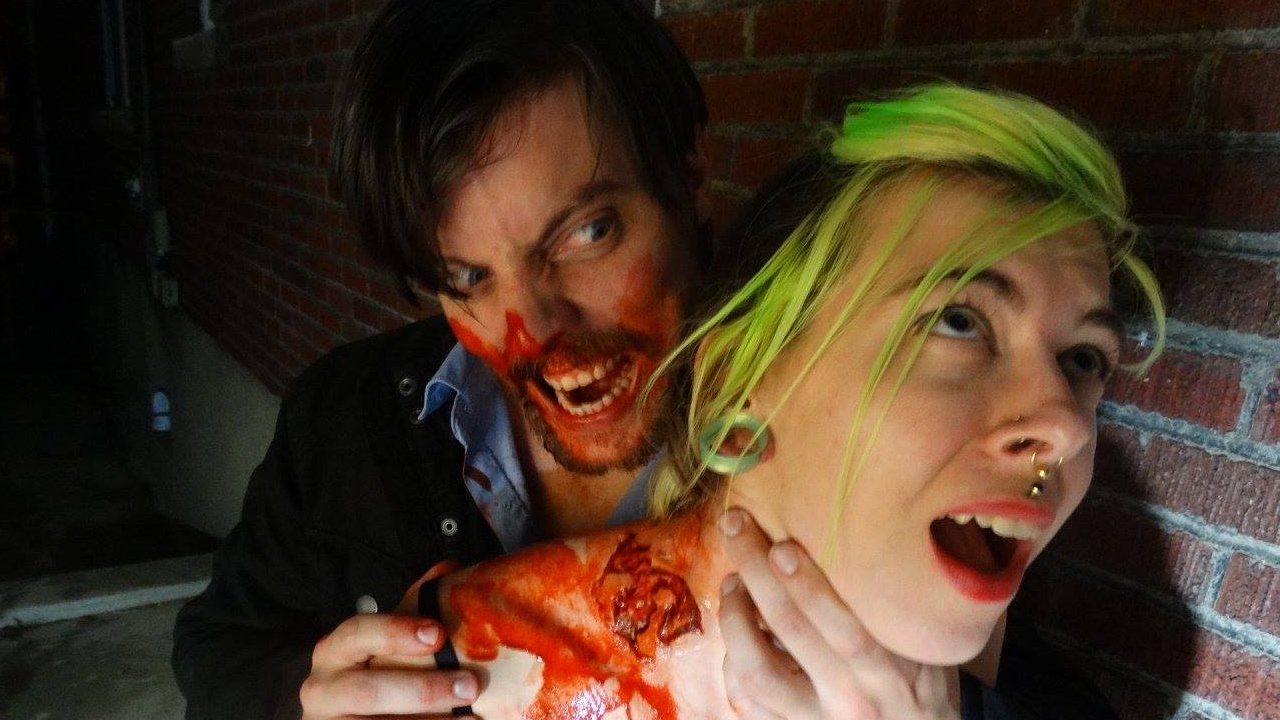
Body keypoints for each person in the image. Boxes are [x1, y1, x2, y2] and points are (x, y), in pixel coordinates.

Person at [383, 84, 1167, 719]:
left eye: (1083, 360)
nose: (1066, 423)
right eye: (959, 321)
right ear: (739, 387)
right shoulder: (467, 670)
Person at [170, 1, 714, 718]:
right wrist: (305, 698)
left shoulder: (819, 436)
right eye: (466, 277)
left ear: (689, 179)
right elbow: (217, 646)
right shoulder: (340, 417)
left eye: (589, 232)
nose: (532, 334)